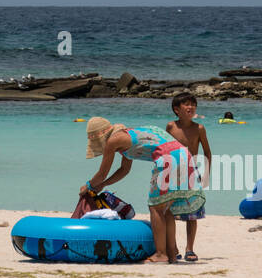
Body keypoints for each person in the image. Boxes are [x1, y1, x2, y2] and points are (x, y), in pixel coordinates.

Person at [83, 116, 205, 263]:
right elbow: (124, 170)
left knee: (156, 207)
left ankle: (160, 254)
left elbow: (102, 173)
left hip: (168, 160)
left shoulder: (113, 141)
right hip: (184, 156)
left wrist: (88, 186)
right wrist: (103, 185)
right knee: (165, 208)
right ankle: (171, 253)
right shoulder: (127, 136)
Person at [167, 92, 211, 262]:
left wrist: (206, 174)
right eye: (186, 104)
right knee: (169, 211)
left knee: (193, 212)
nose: (191, 107)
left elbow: (207, 152)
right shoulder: (171, 127)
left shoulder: (199, 128)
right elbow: (164, 149)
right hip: (172, 172)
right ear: (176, 109)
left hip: (192, 172)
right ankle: (173, 248)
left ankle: (189, 248)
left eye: (193, 104)